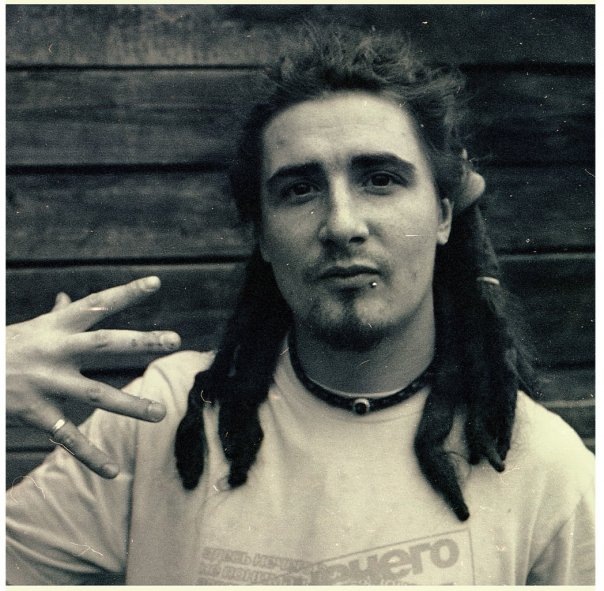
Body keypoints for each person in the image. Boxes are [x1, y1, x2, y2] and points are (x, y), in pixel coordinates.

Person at [6, 28, 594, 585]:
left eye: (380, 179)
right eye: (299, 189)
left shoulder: (545, 467)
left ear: (442, 215)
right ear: (262, 235)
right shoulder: (162, 418)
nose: (341, 224)